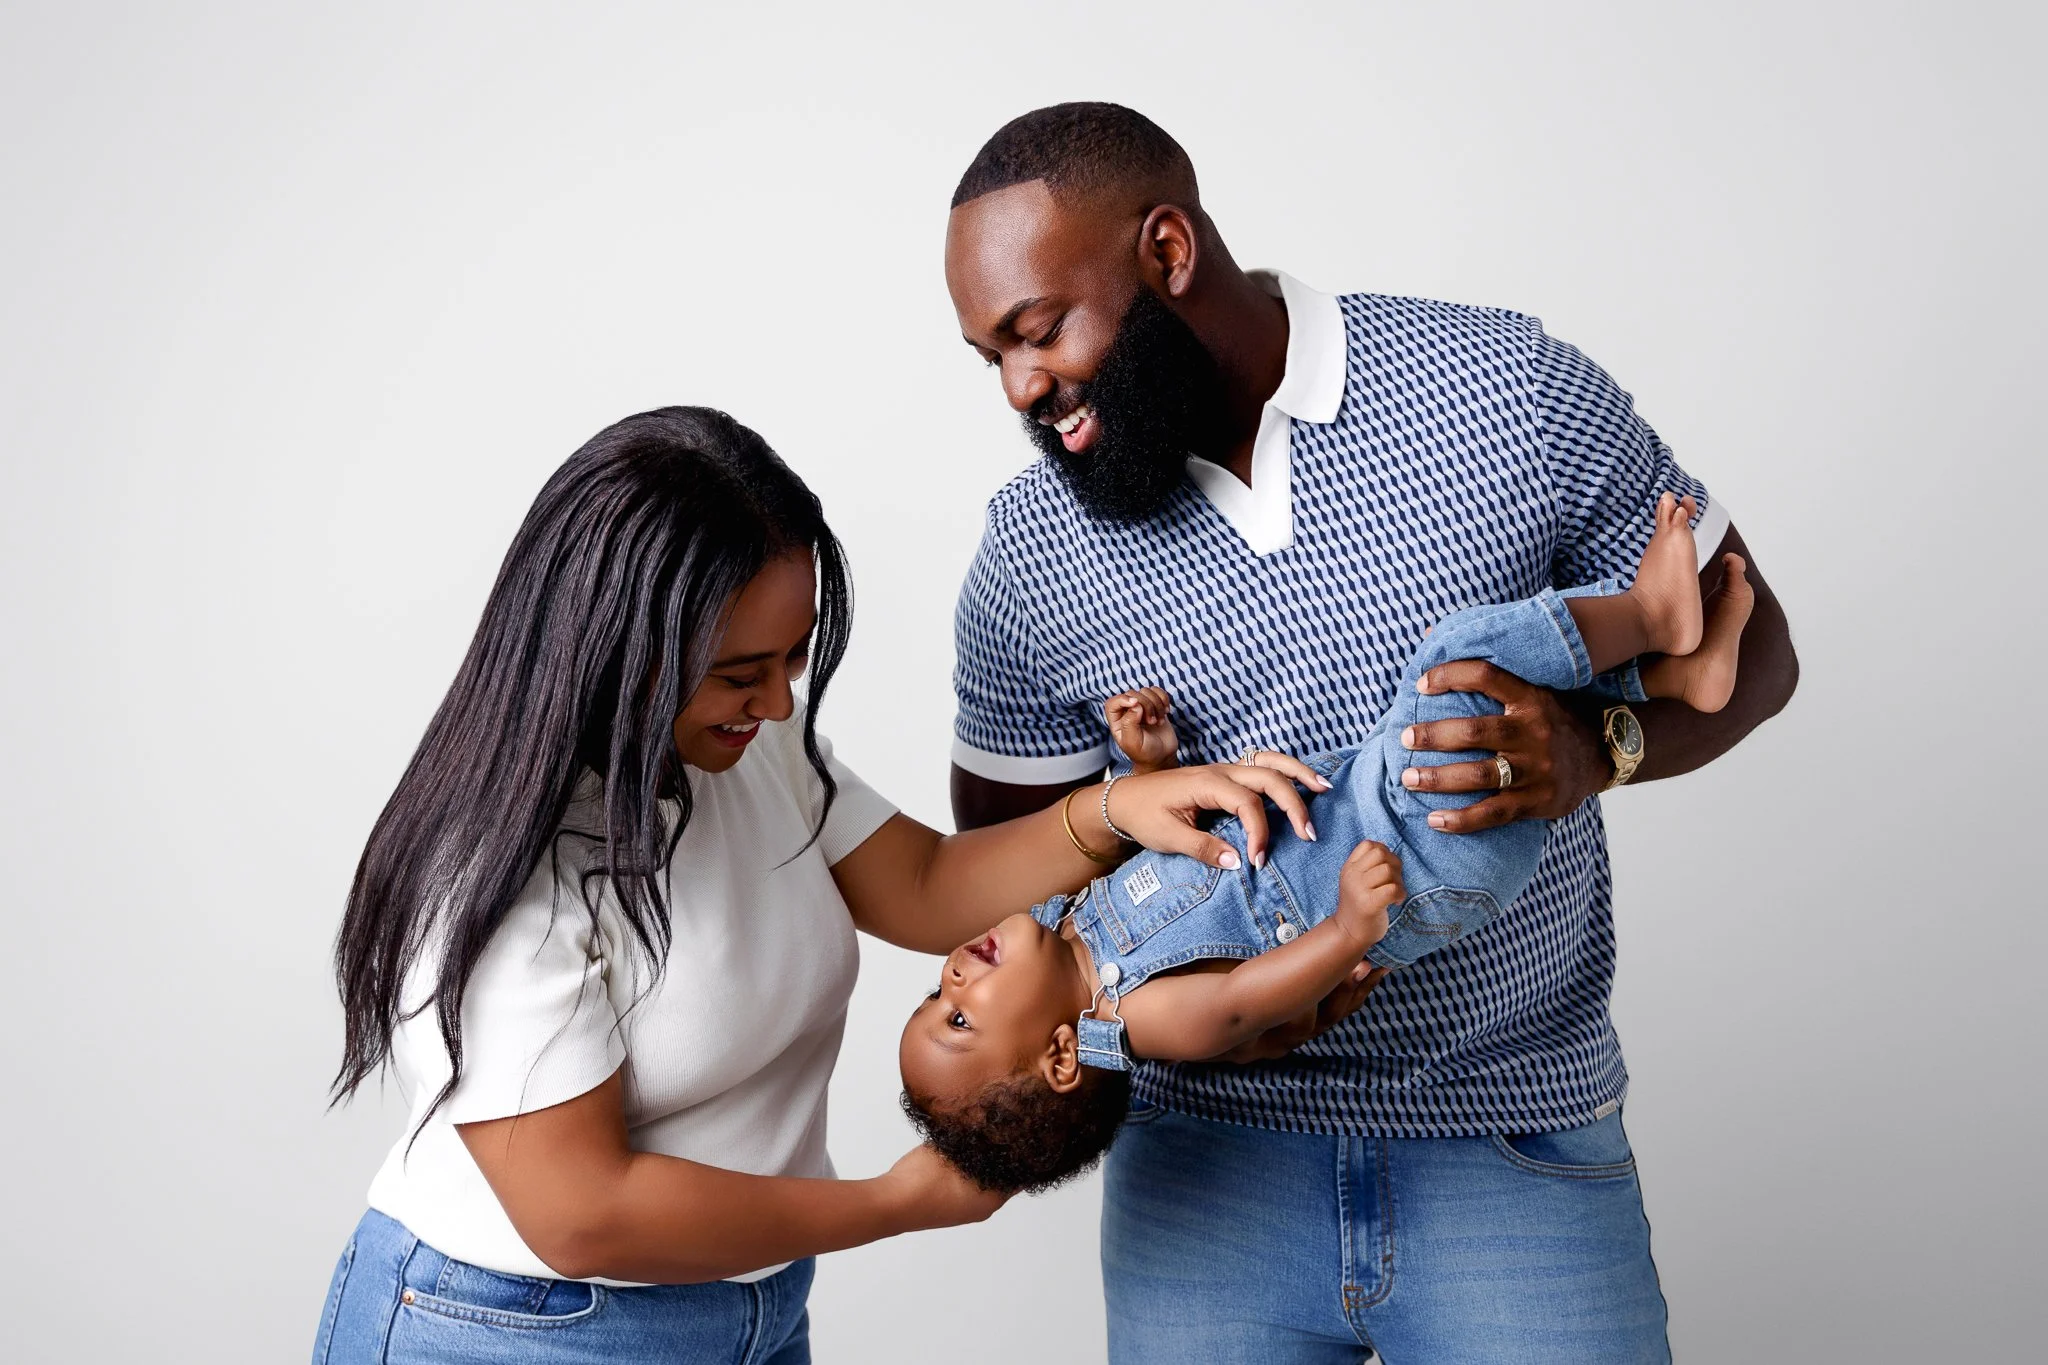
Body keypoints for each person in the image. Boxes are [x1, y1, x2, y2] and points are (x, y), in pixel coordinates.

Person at [943, 103, 1799, 1362]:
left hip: (1514, 1138)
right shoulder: (1028, 549)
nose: (1023, 388)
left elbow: (1753, 650)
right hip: (1202, 1185)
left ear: (1167, 251)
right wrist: (1153, 848)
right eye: (991, 358)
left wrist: (1593, 750)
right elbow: (1005, 856)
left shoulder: (1502, 383)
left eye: (1038, 331)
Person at [311, 406, 1326, 1364]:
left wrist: (1113, 814)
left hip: (750, 1309)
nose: (779, 698)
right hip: (514, 1327)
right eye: (740, 672)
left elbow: (924, 884)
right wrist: (895, 1202)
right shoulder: (503, 877)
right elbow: (583, 1214)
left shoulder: (748, 745)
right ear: (619, 655)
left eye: (793, 658)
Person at [902, 493, 1754, 1194]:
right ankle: (1648, 616)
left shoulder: (1087, 920)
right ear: (1060, 1056)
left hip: (1384, 799)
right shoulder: (1133, 1015)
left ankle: (1678, 676)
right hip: (1424, 858)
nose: (952, 975)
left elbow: (1177, 851)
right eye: (961, 1017)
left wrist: (1150, 761)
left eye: (931, 995)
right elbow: (1241, 1004)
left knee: (1474, 696)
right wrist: (1346, 930)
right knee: (1454, 662)